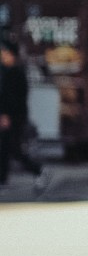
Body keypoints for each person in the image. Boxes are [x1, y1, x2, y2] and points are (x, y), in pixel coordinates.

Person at [0, 35, 31, 187]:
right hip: (12, 116)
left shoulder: (15, 73)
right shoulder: (9, 71)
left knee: (13, 148)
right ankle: (2, 178)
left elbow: (13, 98)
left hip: (14, 117)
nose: (2, 56)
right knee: (6, 147)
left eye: (4, 53)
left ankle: (38, 170)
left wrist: (7, 115)